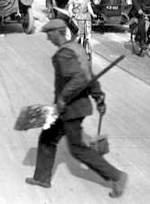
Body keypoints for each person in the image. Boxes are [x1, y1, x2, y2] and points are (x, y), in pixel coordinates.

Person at [25, 19, 128, 198]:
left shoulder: (63, 55)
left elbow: (80, 79)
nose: (48, 39)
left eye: (49, 34)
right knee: (47, 137)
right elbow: (89, 75)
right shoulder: (76, 48)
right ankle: (42, 178)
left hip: (71, 108)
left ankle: (117, 176)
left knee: (78, 149)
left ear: (58, 32)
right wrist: (99, 97)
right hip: (67, 107)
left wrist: (63, 98)